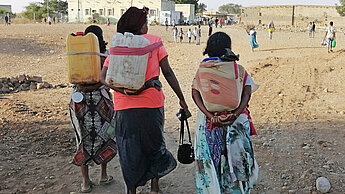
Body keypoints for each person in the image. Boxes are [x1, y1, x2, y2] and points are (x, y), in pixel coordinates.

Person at [99, 6, 189, 194]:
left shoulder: (118, 45)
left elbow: (103, 78)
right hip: (152, 104)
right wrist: (182, 99)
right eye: (146, 23)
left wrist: (125, 91)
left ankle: (131, 190)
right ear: (140, 26)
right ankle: (155, 188)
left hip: (124, 107)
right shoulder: (155, 42)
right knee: (154, 144)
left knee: (128, 149)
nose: (147, 26)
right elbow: (168, 72)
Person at [192, 32, 259, 193]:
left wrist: (210, 117)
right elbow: (247, 94)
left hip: (208, 123)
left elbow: (195, 94)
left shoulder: (203, 70)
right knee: (237, 164)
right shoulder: (239, 69)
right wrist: (235, 114)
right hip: (235, 123)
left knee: (209, 162)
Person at [69, 25, 115, 193]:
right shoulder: (106, 55)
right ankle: (103, 175)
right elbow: (109, 77)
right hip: (101, 100)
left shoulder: (77, 54)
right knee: (105, 136)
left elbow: (73, 78)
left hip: (79, 102)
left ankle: (85, 182)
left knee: (82, 138)